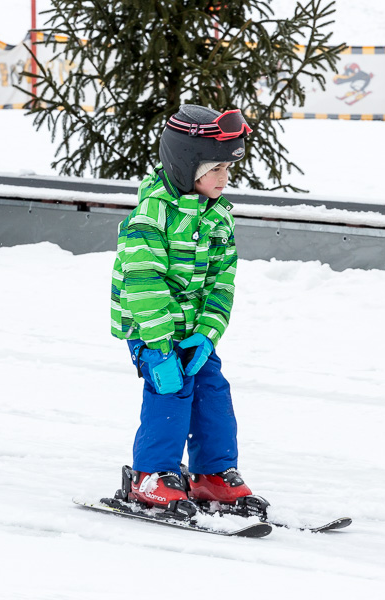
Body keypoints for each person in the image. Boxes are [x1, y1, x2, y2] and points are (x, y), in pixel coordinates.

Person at [109, 104, 263, 519]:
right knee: (169, 389)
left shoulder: (218, 219)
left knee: (212, 390)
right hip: (150, 328)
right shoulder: (150, 217)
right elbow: (144, 284)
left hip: (193, 332)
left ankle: (212, 474)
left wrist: (208, 333)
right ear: (185, 166)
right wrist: (159, 346)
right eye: (215, 168)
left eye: (228, 168)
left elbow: (221, 282)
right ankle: (151, 476)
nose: (224, 177)